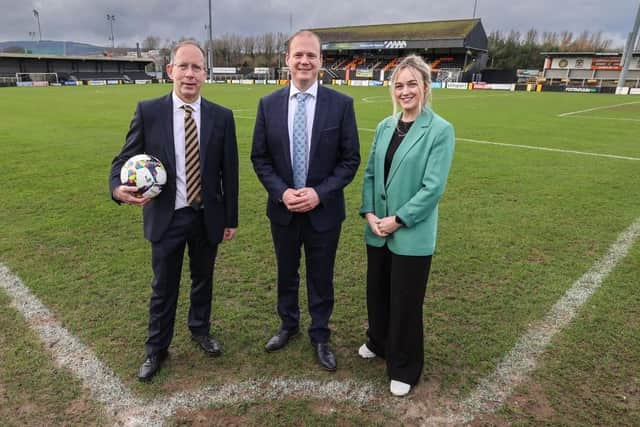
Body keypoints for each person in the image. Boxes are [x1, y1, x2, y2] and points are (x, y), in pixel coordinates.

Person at [109, 40, 238, 381]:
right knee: (163, 286)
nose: (190, 74)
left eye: (197, 68)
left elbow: (230, 171)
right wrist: (116, 188)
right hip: (167, 217)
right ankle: (156, 349)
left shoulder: (222, 117)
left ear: (205, 75)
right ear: (170, 70)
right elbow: (122, 160)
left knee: (203, 279)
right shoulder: (148, 111)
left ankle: (200, 329)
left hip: (206, 215)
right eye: (184, 66)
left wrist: (231, 218)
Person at [251, 30, 360, 371]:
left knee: (321, 275)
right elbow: (260, 158)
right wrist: (282, 193)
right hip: (282, 210)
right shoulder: (268, 104)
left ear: (321, 61)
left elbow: (350, 160)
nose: (304, 61)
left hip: (323, 212)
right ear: (287, 60)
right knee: (286, 272)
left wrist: (319, 193)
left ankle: (320, 334)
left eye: (311, 55)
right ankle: (288, 324)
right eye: (298, 55)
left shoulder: (341, 105)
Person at [358, 55, 455, 396]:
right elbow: (371, 173)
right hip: (377, 229)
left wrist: (398, 220)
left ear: (426, 87)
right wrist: (370, 213)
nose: (405, 90)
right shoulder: (386, 126)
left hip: (409, 233)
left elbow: (433, 188)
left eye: (412, 83)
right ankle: (379, 341)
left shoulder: (440, 130)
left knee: (405, 301)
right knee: (378, 293)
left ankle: (405, 366)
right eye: (399, 85)